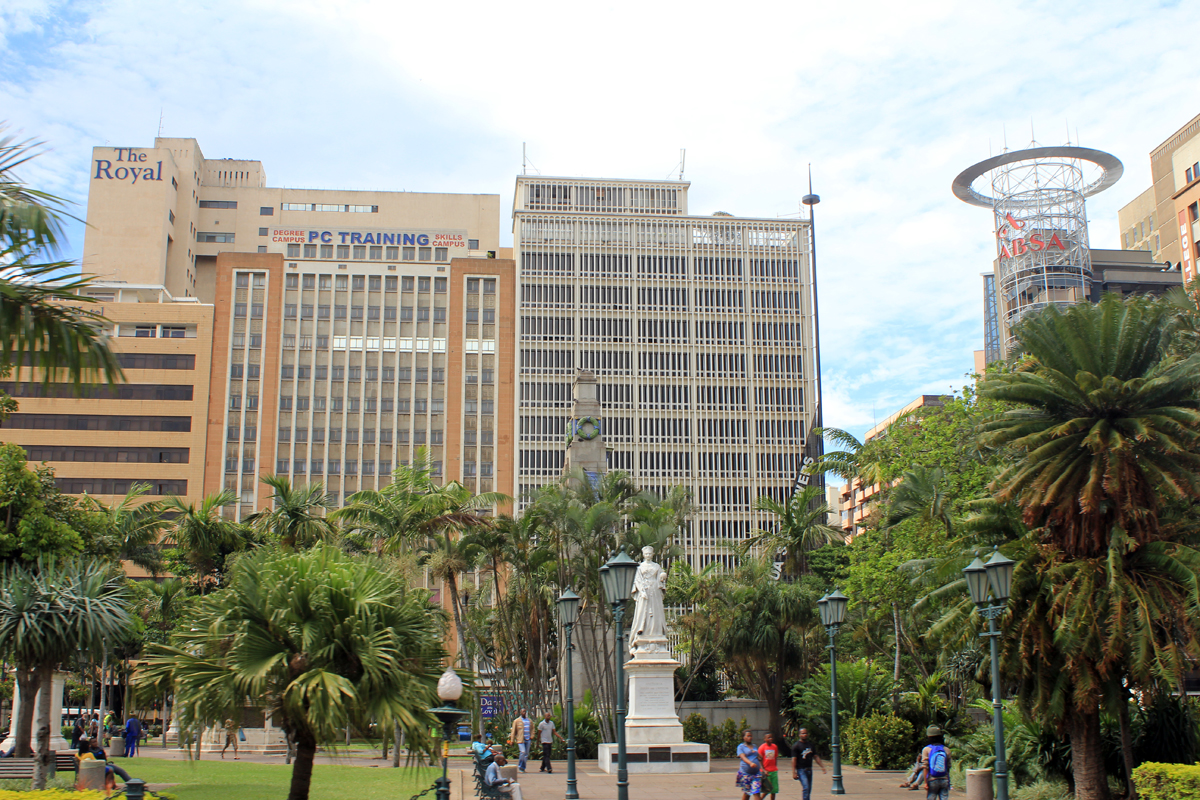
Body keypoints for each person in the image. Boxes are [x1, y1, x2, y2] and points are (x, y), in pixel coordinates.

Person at [791, 727, 826, 800]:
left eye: (806, 733)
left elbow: (815, 756)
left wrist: (822, 766)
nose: (805, 735)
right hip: (801, 770)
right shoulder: (796, 746)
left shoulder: (810, 745)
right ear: (799, 735)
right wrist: (794, 772)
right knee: (806, 787)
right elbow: (794, 759)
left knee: (809, 789)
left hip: (809, 769)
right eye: (803, 733)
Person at [920, 726, 952, 800]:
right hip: (944, 779)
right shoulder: (946, 749)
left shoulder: (926, 749)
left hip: (932, 779)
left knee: (931, 797)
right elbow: (949, 766)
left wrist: (925, 783)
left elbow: (925, 767)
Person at [736, 730, 763, 800]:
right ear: (743, 737)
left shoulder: (754, 746)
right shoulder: (741, 747)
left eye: (750, 736)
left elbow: (758, 756)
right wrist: (750, 763)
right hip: (745, 774)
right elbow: (743, 757)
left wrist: (762, 765)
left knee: (756, 792)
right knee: (747, 793)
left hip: (756, 774)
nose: (750, 737)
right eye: (748, 736)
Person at [757, 732, 781, 800]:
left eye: (771, 737)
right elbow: (760, 760)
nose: (770, 739)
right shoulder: (762, 747)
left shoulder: (775, 747)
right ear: (765, 739)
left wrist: (775, 767)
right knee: (768, 789)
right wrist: (763, 770)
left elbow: (775, 758)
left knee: (774, 790)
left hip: (773, 770)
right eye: (768, 737)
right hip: (766, 771)